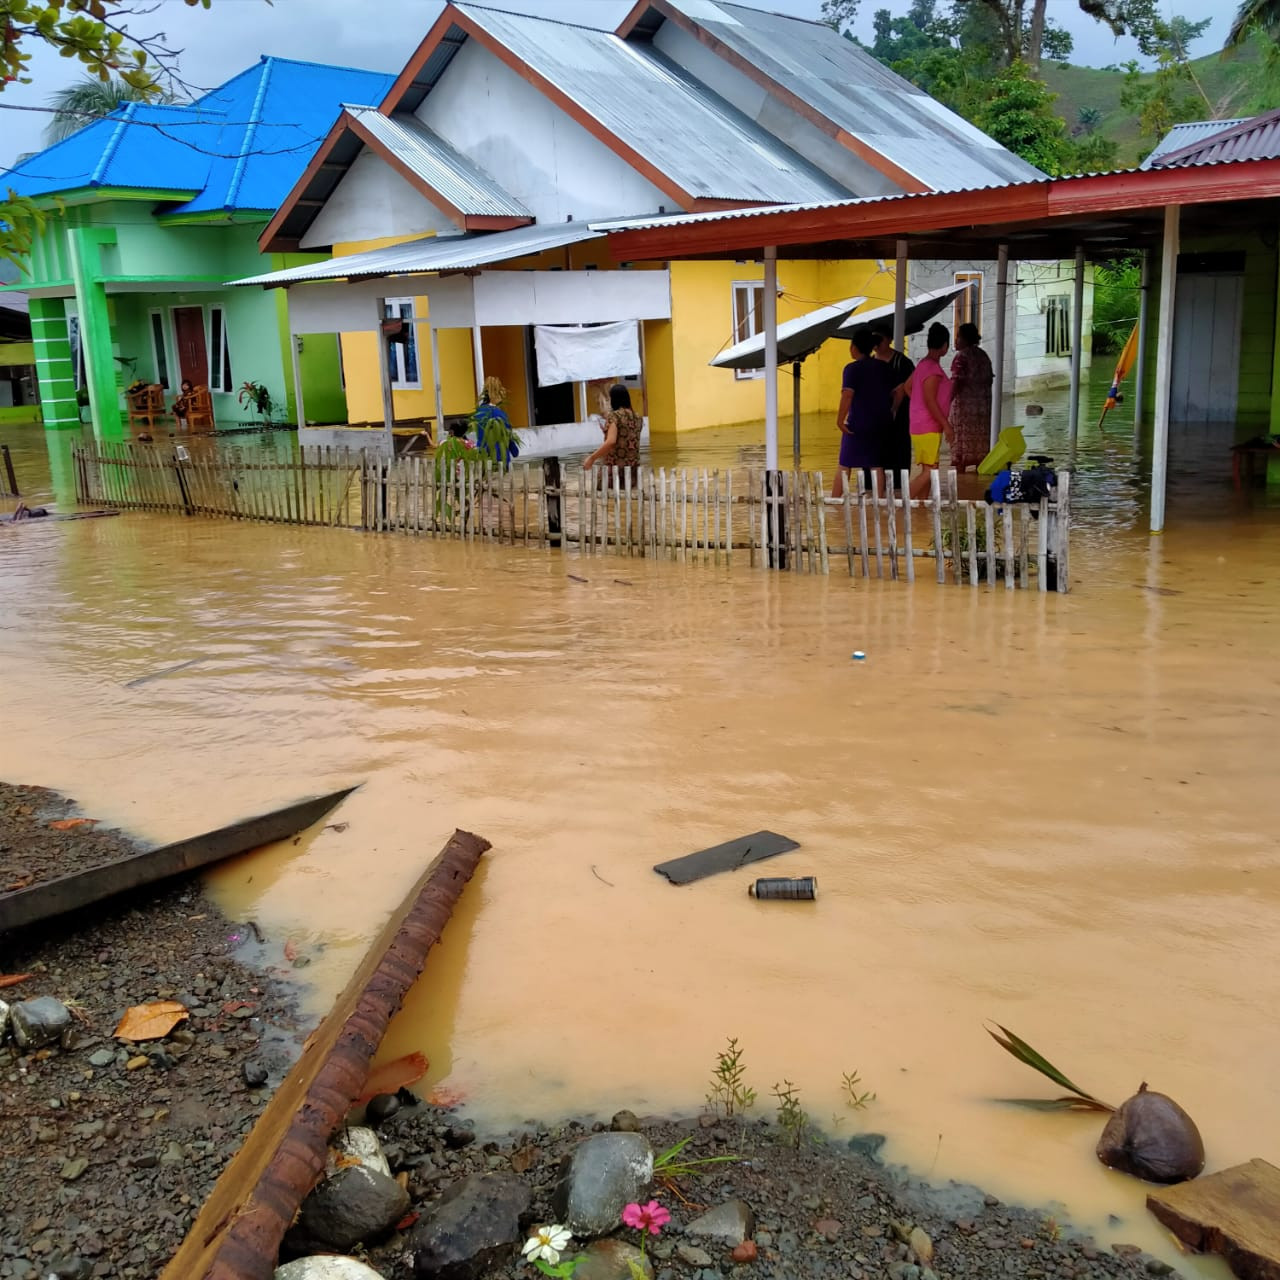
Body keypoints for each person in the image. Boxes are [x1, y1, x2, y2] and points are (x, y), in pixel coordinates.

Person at [832, 326, 896, 499]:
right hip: (880, 423)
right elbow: (896, 391)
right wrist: (891, 411)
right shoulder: (884, 367)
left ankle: (835, 502)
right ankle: (880, 502)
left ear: (854, 347)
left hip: (857, 423)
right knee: (876, 464)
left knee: (845, 464)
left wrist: (839, 421)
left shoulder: (852, 369)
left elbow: (847, 395)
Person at [905, 322, 953, 500]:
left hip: (919, 425)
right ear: (945, 346)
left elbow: (907, 388)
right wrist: (947, 426)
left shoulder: (922, 365)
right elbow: (931, 401)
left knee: (928, 468)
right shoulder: (932, 369)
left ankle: (922, 507)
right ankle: (900, 503)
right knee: (931, 471)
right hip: (929, 427)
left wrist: (918, 407)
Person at [869, 325, 915, 483]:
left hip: (898, 419)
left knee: (898, 454)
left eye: (879, 339)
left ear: (889, 340)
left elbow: (904, 389)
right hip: (875, 419)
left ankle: (898, 488)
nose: (876, 343)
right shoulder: (868, 363)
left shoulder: (902, 363)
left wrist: (894, 410)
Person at [949, 322, 994, 472]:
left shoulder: (961, 357)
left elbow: (956, 381)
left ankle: (961, 485)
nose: (955, 341)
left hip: (964, 411)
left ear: (965, 339)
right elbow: (990, 380)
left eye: (958, 337)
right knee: (981, 448)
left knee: (961, 452)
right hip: (983, 409)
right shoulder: (983, 356)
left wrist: (946, 401)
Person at [583, 383, 641, 485]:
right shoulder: (637, 417)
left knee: (605, 498)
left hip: (614, 470)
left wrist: (592, 458)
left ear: (614, 399)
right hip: (632, 471)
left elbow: (611, 441)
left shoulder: (614, 416)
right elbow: (627, 436)